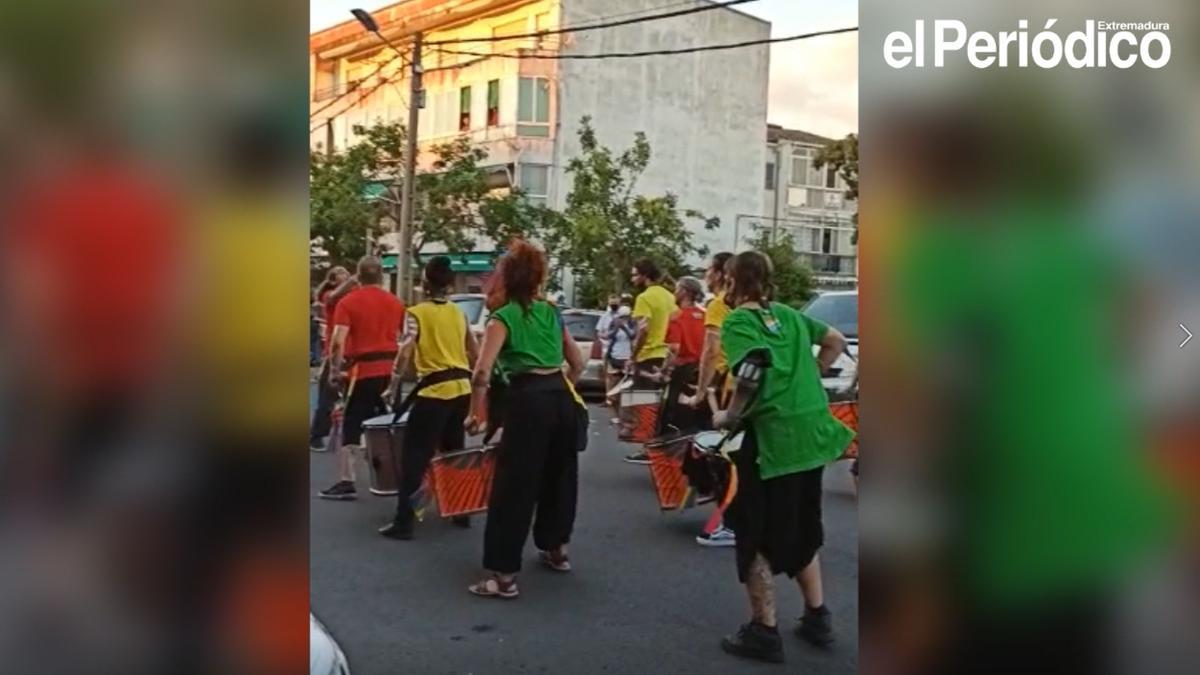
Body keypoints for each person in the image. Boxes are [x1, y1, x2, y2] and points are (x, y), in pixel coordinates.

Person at [713, 251, 853, 664]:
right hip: (811, 433)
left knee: (753, 529)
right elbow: (836, 342)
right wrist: (809, 375)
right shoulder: (791, 316)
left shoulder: (738, 320)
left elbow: (751, 370)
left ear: (731, 280)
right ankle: (816, 616)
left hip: (773, 438)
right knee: (802, 522)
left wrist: (729, 416)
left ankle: (763, 630)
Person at [464, 240, 586, 599]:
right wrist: (558, 389)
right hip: (561, 396)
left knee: (514, 486)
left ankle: (502, 575)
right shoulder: (551, 311)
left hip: (528, 400)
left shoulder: (503, 317)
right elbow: (577, 363)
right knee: (560, 477)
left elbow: (482, 371)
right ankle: (556, 549)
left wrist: (475, 412)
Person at [378, 256, 479, 539]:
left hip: (434, 392)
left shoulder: (416, 312)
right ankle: (461, 512)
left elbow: (407, 349)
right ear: (448, 285)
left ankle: (404, 522)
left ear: (424, 283)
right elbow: (473, 348)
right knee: (454, 453)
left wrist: (393, 383)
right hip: (461, 389)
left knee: (415, 456)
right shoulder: (458, 314)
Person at [318, 256, 406, 500]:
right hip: (389, 370)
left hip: (362, 371)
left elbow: (337, 341)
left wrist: (335, 371)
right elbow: (406, 340)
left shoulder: (349, 302)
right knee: (391, 424)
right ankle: (396, 476)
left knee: (351, 424)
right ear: (380, 276)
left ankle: (347, 481)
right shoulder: (397, 302)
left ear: (359, 276)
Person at [687, 252, 738, 546]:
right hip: (752, 386)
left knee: (724, 454)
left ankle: (730, 523)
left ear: (720, 273)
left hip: (727, 387)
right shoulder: (763, 308)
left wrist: (699, 392)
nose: (705, 275)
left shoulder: (718, 305)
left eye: (708, 269)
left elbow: (711, 350)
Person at [623, 258, 677, 464]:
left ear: (645, 275)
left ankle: (647, 447)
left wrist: (633, 355)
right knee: (656, 402)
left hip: (648, 355)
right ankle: (656, 443)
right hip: (665, 355)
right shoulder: (669, 297)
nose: (633, 278)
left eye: (636, 274)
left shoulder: (645, 298)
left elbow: (643, 329)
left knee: (643, 401)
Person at [309, 266, 353, 450]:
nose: (346, 275)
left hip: (352, 352)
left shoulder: (351, 297)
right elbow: (335, 295)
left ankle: (349, 435)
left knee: (352, 398)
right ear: (333, 280)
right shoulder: (329, 297)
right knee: (326, 398)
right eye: (341, 273)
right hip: (334, 353)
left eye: (346, 272)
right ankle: (317, 436)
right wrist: (355, 279)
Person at [659, 276, 707, 436]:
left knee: (670, 410)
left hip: (682, 369)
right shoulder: (705, 315)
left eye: (677, 289)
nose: (674, 292)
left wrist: (664, 370)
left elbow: (674, 348)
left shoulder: (677, 317)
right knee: (694, 414)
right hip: (701, 370)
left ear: (685, 292)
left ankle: (664, 446)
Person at [604, 305, 635, 423]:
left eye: (625, 317)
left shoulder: (632, 324)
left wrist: (625, 328)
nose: (623, 319)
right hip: (615, 357)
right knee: (613, 389)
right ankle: (616, 414)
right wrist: (617, 327)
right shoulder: (614, 323)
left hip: (627, 359)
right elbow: (608, 336)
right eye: (622, 317)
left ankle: (624, 417)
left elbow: (633, 336)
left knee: (625, 389)